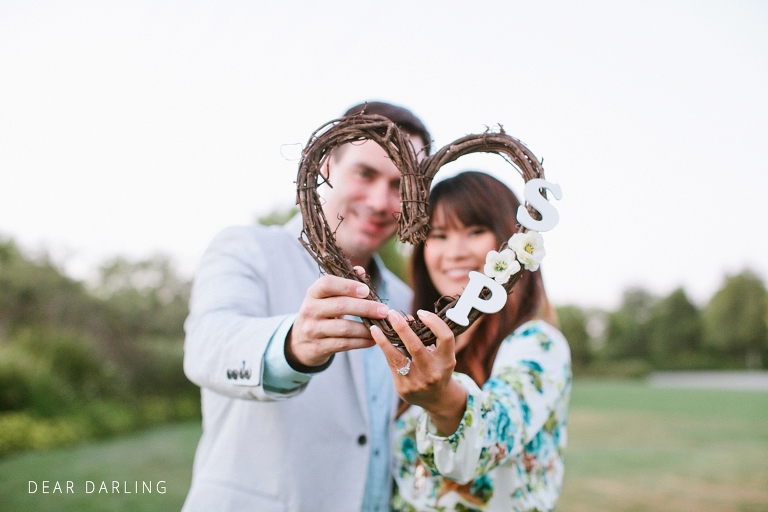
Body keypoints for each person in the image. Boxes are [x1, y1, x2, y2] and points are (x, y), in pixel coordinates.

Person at [181, 101, 430, 512]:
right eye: (365, 174)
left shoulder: (406, 302)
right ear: (327, 166)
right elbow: (207, 347)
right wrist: (292, 345)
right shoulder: (247, 249)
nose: (381, 201)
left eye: (400, 185)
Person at [370, 171, 572, 511]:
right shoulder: (419, 344)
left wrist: (444, 402)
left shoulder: (537, 344)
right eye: (439, 235)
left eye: (475, 231)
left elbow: (494, 436)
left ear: (512, 239)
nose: (455, 252)